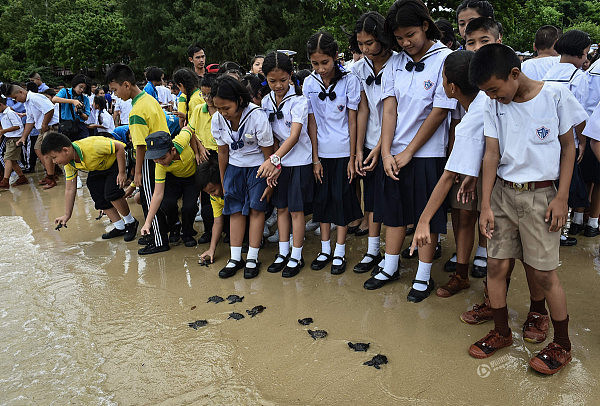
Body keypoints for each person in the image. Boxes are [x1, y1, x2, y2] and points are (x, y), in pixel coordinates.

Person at [469, 43, 587, 375]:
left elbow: (568, 148)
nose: (492, 96)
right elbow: (491, 154)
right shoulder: (493, 105)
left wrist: (562, 197)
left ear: (514, 74)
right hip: (502, 195)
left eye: (494, 89)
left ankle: (562, 344)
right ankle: (502, 332)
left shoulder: (555, 97)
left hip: (542, 196)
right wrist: (485, 205)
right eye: (486, 92)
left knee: (543, 273)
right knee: (495, 266)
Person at [362, 0, 456, 303]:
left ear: (426, 26)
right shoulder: (396, 62)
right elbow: (389, 109)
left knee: (425, 214)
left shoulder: (445, 59)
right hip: (395, 153)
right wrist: (387, 152)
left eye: (410, 35)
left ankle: (423, 275)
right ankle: (390, 266)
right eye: (400, 38)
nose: (405, 43)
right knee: (394, 211)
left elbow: (440, 111)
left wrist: (409, 152)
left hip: (428, 153)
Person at [303, 30, 363, 275]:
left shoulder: (350, 80)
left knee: (340, 200)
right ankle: (324, 248)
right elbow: (312, 123)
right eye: (315, 63)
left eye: (325, 62)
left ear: (336, 57)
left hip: (343, 152)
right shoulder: (309, 82)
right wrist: (315, 159)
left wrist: (352, 157)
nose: (321, 68)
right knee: (323, 201)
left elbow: (353, 121)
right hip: (321, 154)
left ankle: (339, 250)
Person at [211, 75, 274, 279]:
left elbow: (268, 152)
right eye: (218, 108)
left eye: (226, 108)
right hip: (234, 168)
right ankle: (235, 258)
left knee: (257, 209)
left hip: (258, 168)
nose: (223, 113)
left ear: (239, 100)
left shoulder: (256, 115)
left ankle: (253, 257)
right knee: (235, 210)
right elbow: (222, 152)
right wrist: (223, 180)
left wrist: (270, 179)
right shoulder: (218, 119)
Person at [258, 51, 313, 278]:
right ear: (265, 78)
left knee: (297, 211)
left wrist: (273, 160)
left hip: (299, 161)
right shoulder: (265, 101)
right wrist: (272, 164)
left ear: (291, 76)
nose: (278, 85)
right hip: (279, 162)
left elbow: (294, 136)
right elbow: (269, 136)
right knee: (281, 208)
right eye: (272, 81)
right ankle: (282, 253)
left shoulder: (300, 101)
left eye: (283, 80)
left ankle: (297, 256)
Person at [106, 63, 171, 255]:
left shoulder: (136, 112)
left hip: (151, 159)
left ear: (126, 84)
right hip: (161, 152)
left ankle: (159, 241)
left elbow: (140, 145)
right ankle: (153, 234)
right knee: (149, 199)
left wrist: (138, 172)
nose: (115, 94)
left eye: (115, 90)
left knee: (150, 200)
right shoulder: (148, 100)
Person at [349, 11, 395, 275]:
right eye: (361, 44)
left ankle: (394, 252)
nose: (365, 49)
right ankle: (372, 250)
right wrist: (359, 150)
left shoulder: (400, 64)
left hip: (394, 143)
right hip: (369, 143)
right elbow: (362, 109)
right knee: (373, 200)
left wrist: (382, 147)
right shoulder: (358, 69)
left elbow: (397, 110)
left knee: (393, 200)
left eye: (370, 43)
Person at [41, 131, 139, 241]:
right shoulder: (69, 163)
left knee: (111, 192)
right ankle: (120, 226)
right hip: (99, 166)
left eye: (54, 157)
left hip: (117, 159)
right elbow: (70, 189)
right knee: (95, 189)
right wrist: (67, 215)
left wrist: (122, 173)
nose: (54, 162)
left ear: (65, 150)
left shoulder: (91, 146)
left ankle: (131, 222)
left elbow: (119, 147)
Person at [542, 30, 592, 238]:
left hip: (547, 138)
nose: (587, 59)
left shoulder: (548, 74)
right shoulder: (578, 77)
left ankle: (554, 227)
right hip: (567, 140)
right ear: (579, 53)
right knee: (567, 186)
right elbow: (579, 115)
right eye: (586, 54)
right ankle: (559, 230)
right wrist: (581, 142)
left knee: (552, 184)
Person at [141, 131, 200, 247]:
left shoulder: (180, 142)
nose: (159, 162)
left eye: (162, 158)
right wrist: (147, 223)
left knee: (189, 207)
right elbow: (157, 194)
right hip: (174, 178)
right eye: (155, 159)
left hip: (192, 178)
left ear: (173, 150)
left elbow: (189, 129)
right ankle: (175, 225)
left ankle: (187, 232)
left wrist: (197, 152)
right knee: (166, 203)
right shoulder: (160, 165)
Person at [5, 83, 60, 189]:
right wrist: (23, 137)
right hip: (43, 128)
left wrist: (44, 124)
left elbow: (49, 109)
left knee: (46, 152)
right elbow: (30, 120)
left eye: (15, 98)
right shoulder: (27, 102)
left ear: (21, 92)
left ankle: (51, 177)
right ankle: (52, 173)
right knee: (37, 149)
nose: (16, 101)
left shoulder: (35, 98)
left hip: (50, 127)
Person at [186, 74, 219, 245]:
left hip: (222, 156)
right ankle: (208, 230)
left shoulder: (223, 108)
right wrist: (199, 150)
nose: (207, 99)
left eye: (210, 95)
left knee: (222, 193)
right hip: (206, 156)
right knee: (207, 195)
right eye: (204, 95)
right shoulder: (199, 109)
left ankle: (227, 231)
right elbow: (190, 130)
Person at [197, 157, 227, 263]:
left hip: (245, 215)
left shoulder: (232, 188)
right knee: (207, 211)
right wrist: (212, 248)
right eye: (208, 192)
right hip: (230, 215)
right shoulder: (214, 197)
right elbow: (218, 221)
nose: (212, 194)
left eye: (213, 190)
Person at [0, 93, 27, 189]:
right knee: (13, 160)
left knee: (7, 159)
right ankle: (22, 177)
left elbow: (17, 126)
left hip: (15, 138)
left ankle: (5, 180)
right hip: (9, 139)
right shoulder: (3, 114)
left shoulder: (10, 113)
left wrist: (3, 131)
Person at [52, 74, 91, 141]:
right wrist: (72, 101)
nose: (82, 90)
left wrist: (80, 113)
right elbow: (54, 99)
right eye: (80, 87)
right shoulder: (65, 91)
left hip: (80, 126)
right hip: (66, 126)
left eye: (84, 88)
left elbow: (86, 117)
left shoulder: (85, 99)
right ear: (75, 84)